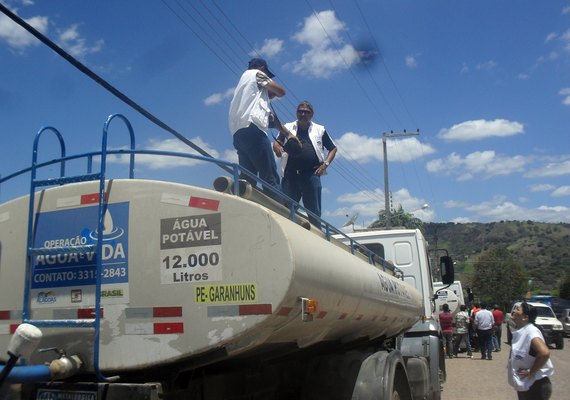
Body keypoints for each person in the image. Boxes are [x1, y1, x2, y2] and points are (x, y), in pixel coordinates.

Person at [229, 58, 293, 199]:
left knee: (247, 178)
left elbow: (273, 120)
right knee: (269, 177)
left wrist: (287, 133)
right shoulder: (256, 74)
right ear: (262, 68)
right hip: (254, 131)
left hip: (238, 133)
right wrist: (270, 91)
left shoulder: (245, 91)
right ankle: (282, 214)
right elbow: (281, 91)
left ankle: (240, 205)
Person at [272, 101, 337, 226]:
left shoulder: (320, 129)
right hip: (290, 176)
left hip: (311, 175)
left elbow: (333, 148)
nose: (303, 114)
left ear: (311, 114)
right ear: (296, 113)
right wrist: (276, 147)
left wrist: (326, 164)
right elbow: (277, 142)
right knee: (286, 210)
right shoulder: (288, 127)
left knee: (314, 212)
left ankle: (318, 240)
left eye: (306, 112)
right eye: (300, 111)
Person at [508, 302, 554, 400]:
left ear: (525, 317)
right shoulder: (521, 330)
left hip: (535, 387)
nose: (514, 311)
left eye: (518, 309)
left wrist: (530, 372)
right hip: (527, 385)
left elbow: (544, 353)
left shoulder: (531, 331)